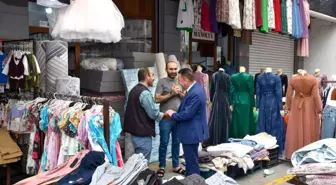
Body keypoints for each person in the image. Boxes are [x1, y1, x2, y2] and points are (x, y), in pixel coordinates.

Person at [166, 68, 209, 176]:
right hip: (191, 132)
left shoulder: (194, 93)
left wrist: (173, 114)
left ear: (186, 80)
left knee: (191, 164)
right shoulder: (194, 90)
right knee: (191, 162)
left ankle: (193, 181)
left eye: (180, 80)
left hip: (191, 133)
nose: (179, 82)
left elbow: (187, 114)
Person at [124, 67, 166, 161]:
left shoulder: (132, 91)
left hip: (132, 133)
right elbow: (153, 114)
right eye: (152, 75)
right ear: (147, 76)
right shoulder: (145, 93)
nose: (154, 78)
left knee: (132, 164)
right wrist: (164, 115)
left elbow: (126, 108)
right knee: (141, 164)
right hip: (142, 135)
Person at [155, 60, 185, 177]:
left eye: (175, 69)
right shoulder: (162, 82)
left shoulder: (181, 82)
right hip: (166, 118)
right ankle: (162, 166)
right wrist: (171, 93)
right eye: (171, 69)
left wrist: (181, 94)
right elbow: (156, 99)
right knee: (164, 142)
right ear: (166, 70)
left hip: (178, 118)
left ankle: (176, 166)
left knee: (177, 142)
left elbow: (186, 99)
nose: (173, 71)